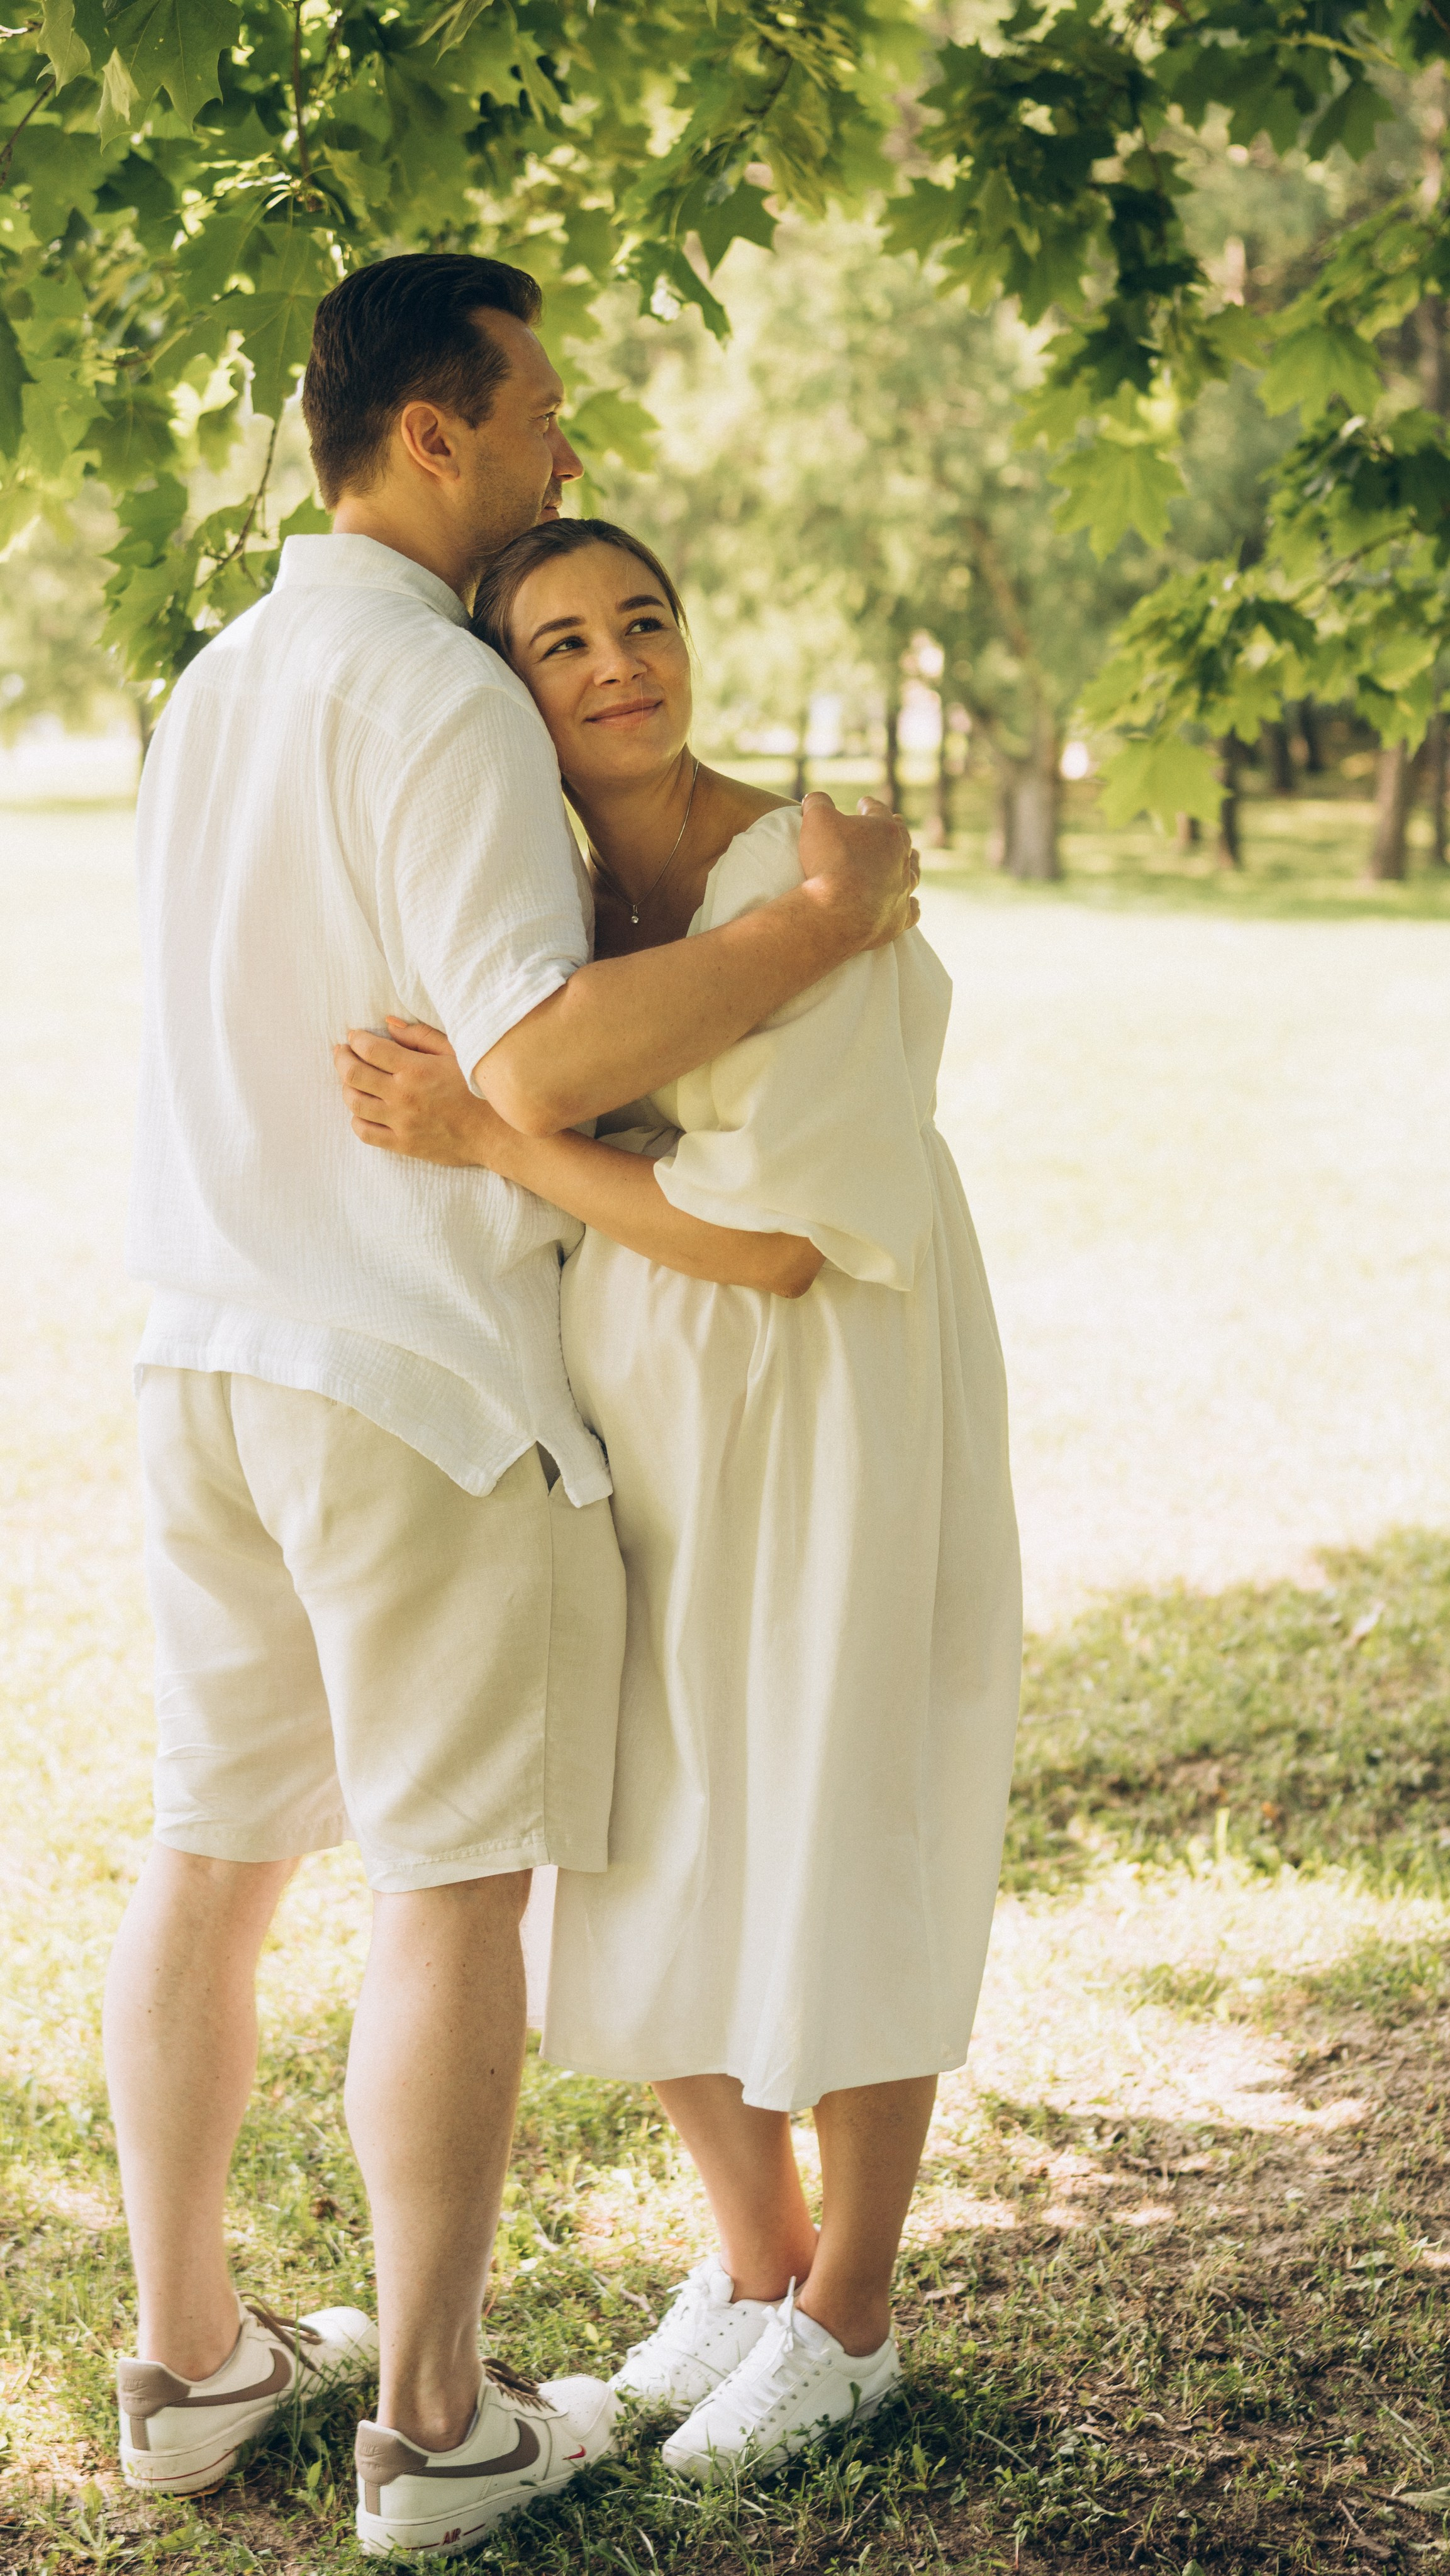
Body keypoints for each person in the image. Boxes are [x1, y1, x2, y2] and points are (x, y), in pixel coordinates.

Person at [108, 253, 917, 2563]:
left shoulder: (217, 677)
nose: (570, 450)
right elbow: (532, 1054)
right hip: (411, 1386)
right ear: (436, 437)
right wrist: (799, 936)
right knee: (446, 1891)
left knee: (210, 1859)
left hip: (202, 1353)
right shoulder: (437, 696)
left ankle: (187, 2367)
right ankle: (439, 2423)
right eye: (540, 416)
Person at [335, 518, 1022, 2488]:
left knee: (832, 1792)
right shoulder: (534, 896)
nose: (619, 661)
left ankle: (855, 2312)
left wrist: (489, 1132)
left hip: (825, 1392)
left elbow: (781, 1243)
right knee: (630, 1813)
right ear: (508, 690)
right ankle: (752, 2258)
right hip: (635, 1391)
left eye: (644, 620)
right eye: (561, 642)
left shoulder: (800, 871)